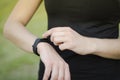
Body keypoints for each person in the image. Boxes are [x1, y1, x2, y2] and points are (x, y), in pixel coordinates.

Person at [3, 0, 120, 80]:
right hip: (53, 73)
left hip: (104, 73)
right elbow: (12, 25)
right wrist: (42, 46)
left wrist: (88, 43)